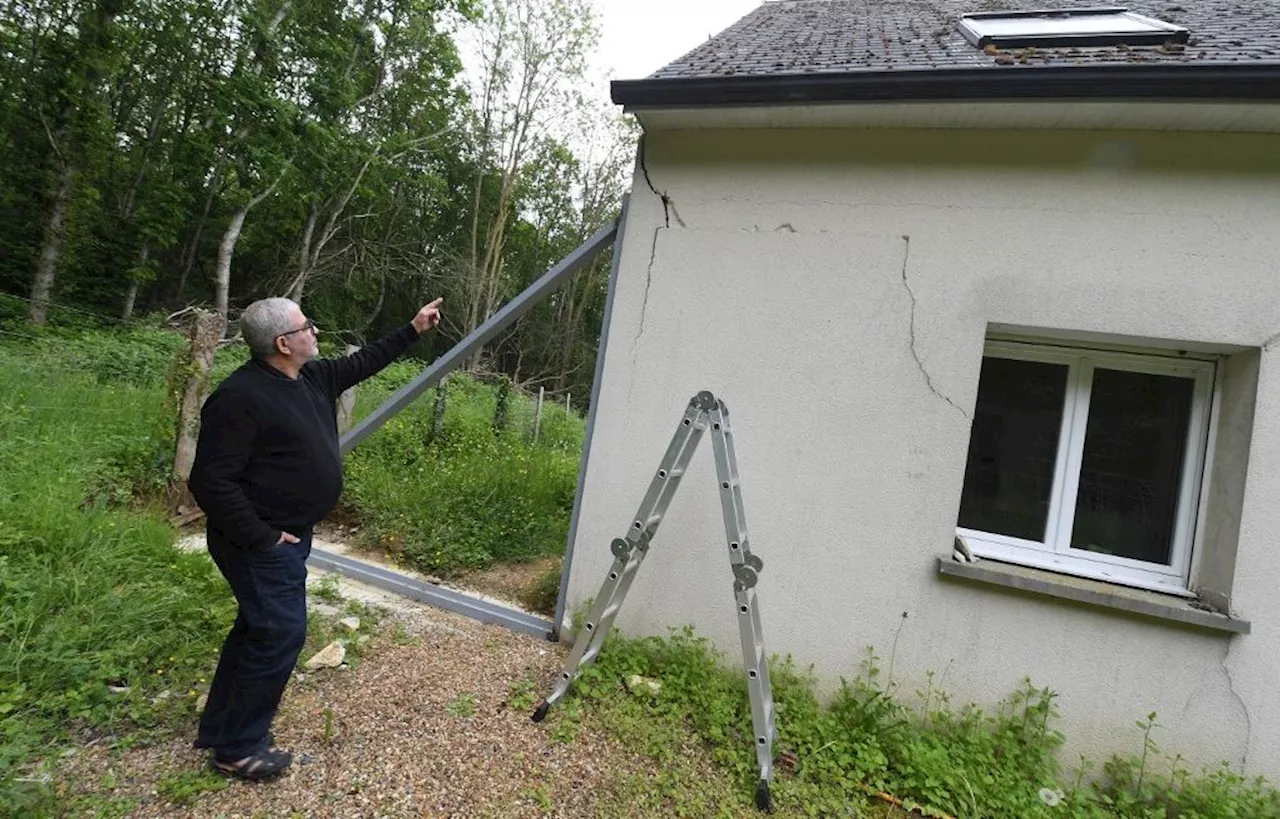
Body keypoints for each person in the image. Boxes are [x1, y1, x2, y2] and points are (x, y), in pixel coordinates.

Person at [189, 296, 442, 780]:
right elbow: (210, 481)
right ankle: (238, 748)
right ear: (284, 343)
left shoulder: (309, 378)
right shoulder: (240, 397)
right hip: (258, 543)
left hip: (287, 535)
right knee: (280, 632)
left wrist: (412, 328)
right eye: (308, 325)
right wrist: (263, 538)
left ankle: (223, 727)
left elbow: (363, 361)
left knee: (257, 628)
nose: (316, 332)